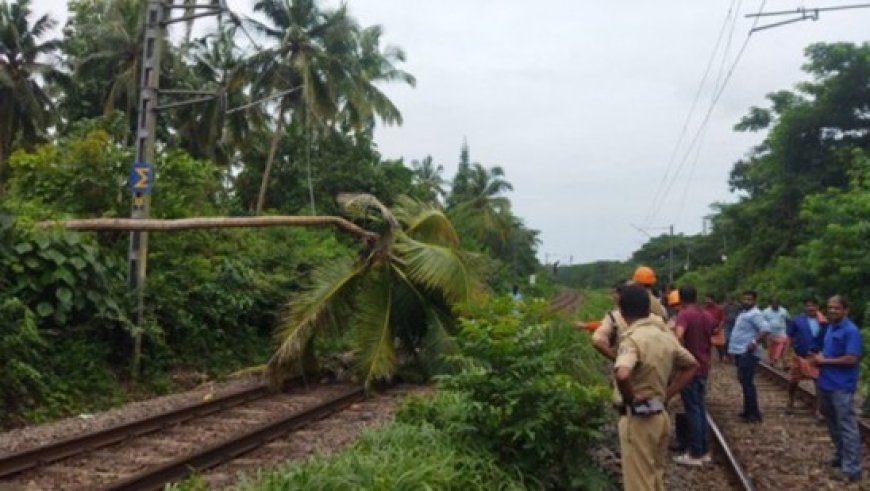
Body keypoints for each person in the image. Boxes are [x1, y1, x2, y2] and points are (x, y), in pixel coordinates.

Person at [613, 284, 698, 491]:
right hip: (660, 415)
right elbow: (692, 365)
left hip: (638, 419)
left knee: (638, 483)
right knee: (655, 477)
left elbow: (623, 374)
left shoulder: (632, 340)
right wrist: (669, 393)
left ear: (623, 313)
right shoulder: (665, 336)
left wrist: (630, 397)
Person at [814, 295, 862, 483]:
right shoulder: (830, 327)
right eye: (830, 307)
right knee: (833, 424)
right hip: (827, 382)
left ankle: (852, 469)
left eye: (836, 308)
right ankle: (840, 456)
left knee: (847, 426)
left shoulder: (851, 331)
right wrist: (819, 357)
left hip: (842, 386)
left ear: (845, 310)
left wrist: (824, 360)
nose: (832, 311)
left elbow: (852, 358)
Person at [671, 285, 717, 466]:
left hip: (690, 368)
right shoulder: (707, 315)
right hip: (704, 366)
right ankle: (703, 450)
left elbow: (678, 335)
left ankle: (695, 453)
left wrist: (680, 353)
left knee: (692, 409)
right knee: (700, 408)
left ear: (681, 298)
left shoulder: (684, 314)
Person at [727, 290, 771, 423]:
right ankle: (748, 410)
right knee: (744, 381)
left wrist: (754, 342)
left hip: (747, 353)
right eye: (745, 299)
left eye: (749, 299)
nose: (746, 302)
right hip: (740, 352)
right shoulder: (744, 313)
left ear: (754, 301)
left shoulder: (755, 314)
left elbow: (765, 329)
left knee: (747, 383)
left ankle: (753, 414)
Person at [785, 297, 826, 418]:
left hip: (817, 356)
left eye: (813, 305)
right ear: (804, 307)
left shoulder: (823, 321)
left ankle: (818, 409)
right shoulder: (796, 320)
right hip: (800, 356)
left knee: (819, 383)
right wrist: (786, 355)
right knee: (793, 381)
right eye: (808, 305)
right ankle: (790, 401)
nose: (810, 308)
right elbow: (789, 338)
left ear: (817, 307)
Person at [763, 297, 790, 369]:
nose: (775, 305)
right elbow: (762, 322)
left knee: (782, 346)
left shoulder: (784, 311)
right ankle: (772, 361)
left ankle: (784, 362)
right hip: (770, 334)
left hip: (782, 333)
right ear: (770, 304)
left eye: (777, 304)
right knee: (771, 349)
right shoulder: (765, 311)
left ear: (779, 304)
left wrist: (789, 331)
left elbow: (788, 320)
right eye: (773, 304)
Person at [704, 294, 726, 362]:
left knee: (720, 346)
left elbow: (722, 320)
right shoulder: (704, 309)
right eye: (706, 299)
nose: (707, 301)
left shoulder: (719, 309)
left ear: (713, 300)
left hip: (717, 329)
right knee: (706, 346)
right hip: (707, 330)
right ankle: (707, 359)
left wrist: (718, 329)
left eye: (709, 299)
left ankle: (722, 358)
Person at [722, 296, 742, 362]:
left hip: (735, 325)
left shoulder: (738, 306)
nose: (729, 301)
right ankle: (726, 355)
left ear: (733, 300)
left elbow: (741, 313)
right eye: (728, 300)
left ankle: (733, 356)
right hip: (727, 325)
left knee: (734, 340)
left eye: (730, 300)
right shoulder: (725, 306)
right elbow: (722, 313)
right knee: (727, 340)